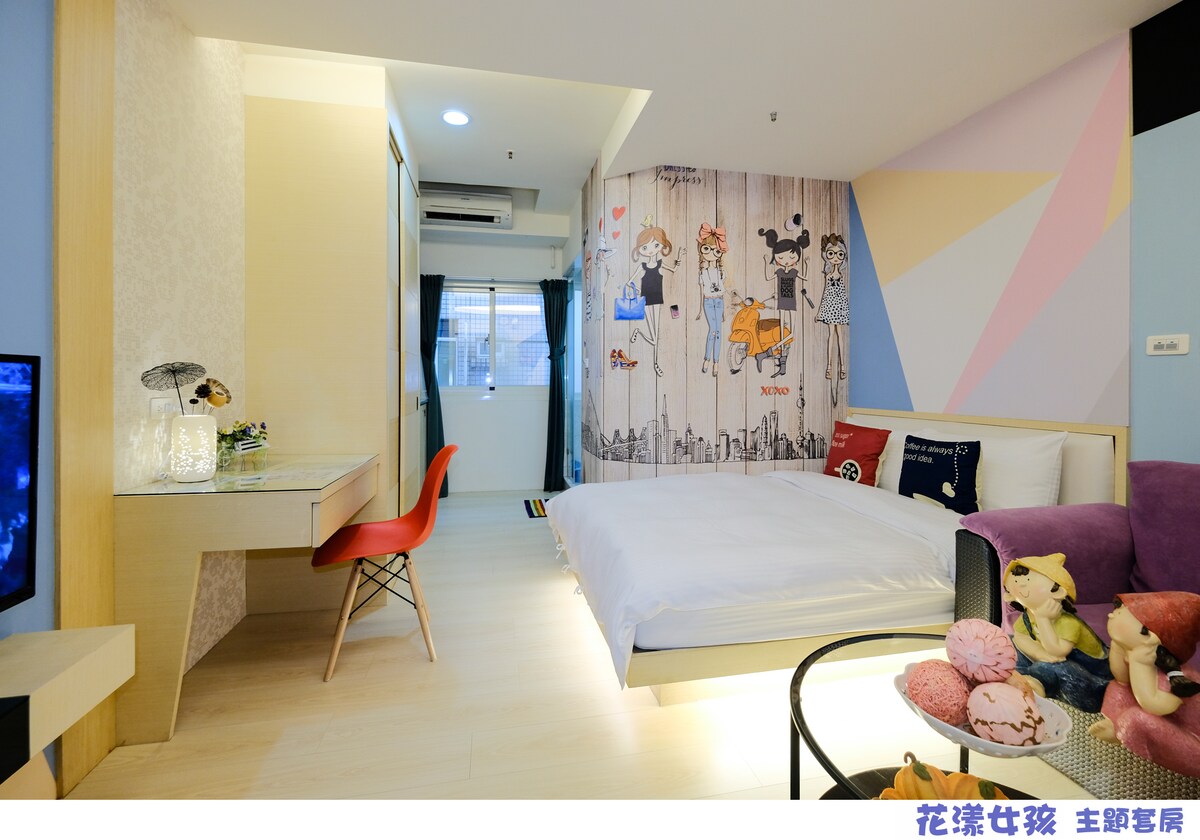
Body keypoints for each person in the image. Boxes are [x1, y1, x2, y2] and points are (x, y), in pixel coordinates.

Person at [1088, 591, 1200, 777]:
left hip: (1193, 744)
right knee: (1118, 687)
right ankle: (1116, 726)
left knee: (1134, 719)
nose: (1111, 614)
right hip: (1168, 725)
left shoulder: (1173, 678)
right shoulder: (1141, 651)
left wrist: (1140, 663)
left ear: (1148, 635)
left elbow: (1153, 704)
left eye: (1120, 612)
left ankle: (1136, 749)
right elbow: (1121, 678)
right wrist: (1119, 645)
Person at [1003, 553, 1111, 712]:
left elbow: (1058, 652)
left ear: (1057, 591)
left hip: (1092, 680)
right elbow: (1020, 637)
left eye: (1027, 582)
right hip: (1047, 661)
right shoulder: (1028, 617)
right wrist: (1038, 652)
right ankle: (1021, 679)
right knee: (1008, 643)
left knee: (1053, 667)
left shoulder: (1068, 623)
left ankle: (1037, 691)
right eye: (1016, 583)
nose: (1020, 586)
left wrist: (1043, 620)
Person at [629, 219, 684, 377]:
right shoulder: (642, 266)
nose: (650, 250)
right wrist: (638, 290)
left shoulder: (660, 264)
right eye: (645, 247)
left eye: (655, 245)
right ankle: (655, 363)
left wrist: (679, 256)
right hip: (645, 300)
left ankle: (640, 334)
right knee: (654, 337)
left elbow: (673, 269)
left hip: (658, 299)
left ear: (661, 246)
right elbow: (629, 282)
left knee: (655, 337)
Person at [759, 216, 811, 343]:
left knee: (791, 332)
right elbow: (768, 277)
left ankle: (778, 346)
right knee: (781, 328)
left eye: (791, 257)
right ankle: (781, 347)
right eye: (781, 258)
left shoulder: (794, 272)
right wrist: (766, 263)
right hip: (782, 301)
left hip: (792, 301)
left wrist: (807, 265)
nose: (786, 261)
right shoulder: (779, 272)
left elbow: (806, 278)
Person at [695, 222, 727, 377]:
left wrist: (724, 311)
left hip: (719, 301)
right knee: (713, 331)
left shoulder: (721, 272)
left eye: (716, 250)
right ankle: (707, 359)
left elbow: (722, 291)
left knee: (718, 331)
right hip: (708, 301)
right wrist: (700, 310)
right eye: (707, 249)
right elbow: (702, 291)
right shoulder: (702, 273)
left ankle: (716, 362)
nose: (712, 253)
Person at [817, 233, 849, 381]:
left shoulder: (841, 276)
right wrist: (820, 312)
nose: (836, 257)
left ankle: (842, 366)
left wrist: (845, 311)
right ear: (827, 255)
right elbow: (826, 293)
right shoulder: (828, 276)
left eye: (840, 254)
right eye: (831, 253)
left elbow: (843, 295)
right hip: (831, 307)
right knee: (831, 336)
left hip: (839, 308)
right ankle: (829, 366)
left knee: (839, 336)